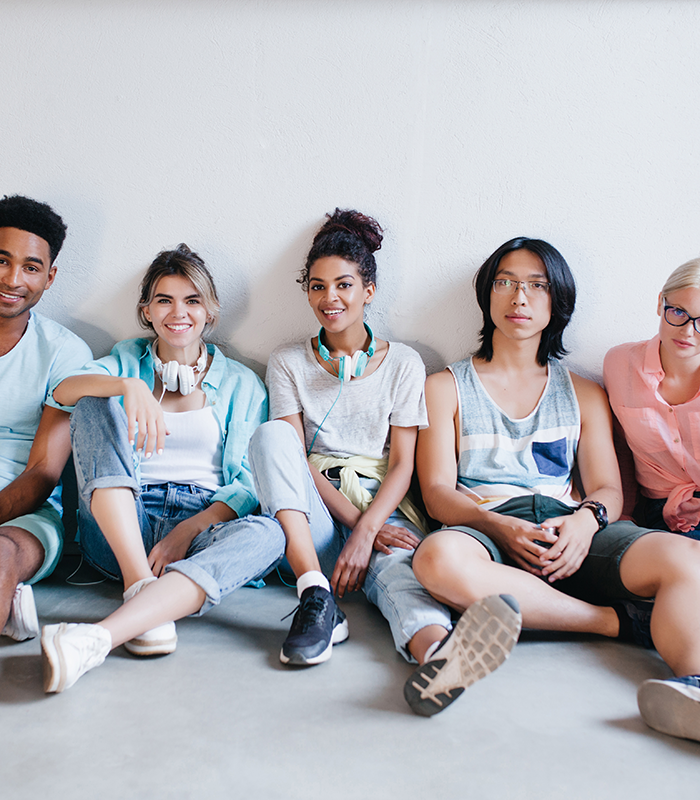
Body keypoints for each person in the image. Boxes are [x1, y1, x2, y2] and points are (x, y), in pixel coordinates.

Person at [408, 236, 700, 744]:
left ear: (556, 301)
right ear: (488, 295)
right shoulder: (444, 387)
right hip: (486, 528)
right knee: (435, 560)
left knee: (683, 558)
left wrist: (586, 521)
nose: (519, 298)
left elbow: (607, 487)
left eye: (536, 286)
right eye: (506, 283)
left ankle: (694, 687)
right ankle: (614, 623)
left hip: (570, 528)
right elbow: (437, 492)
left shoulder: (584, 392)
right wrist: (498, 524)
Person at [42, 243, 284, 693]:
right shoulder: (125, 360)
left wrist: (190, 528)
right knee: (94, 403)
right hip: (120, 527)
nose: (179, 312)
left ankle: (119, 627)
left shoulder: (241, 384)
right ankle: (139, 583)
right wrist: (126, 385)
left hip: (203, 523)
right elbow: (62, 390)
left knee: (271, 533)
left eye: (192, 300)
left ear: (210, 311)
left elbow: (251, 482)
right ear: (146, 311)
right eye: (164, 300)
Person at [247, 208, 455, 671]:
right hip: (310, 514)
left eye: (343, 284)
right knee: (270, 438)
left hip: (383, 506)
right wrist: (361, 528)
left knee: (400, 576)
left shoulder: (404, 363)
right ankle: (316, 601)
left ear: (369, 290)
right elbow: (293, 458)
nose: (329, 298)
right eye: (317, 287)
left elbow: (403, 465)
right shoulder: (287, 362)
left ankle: (439, 657)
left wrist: (370, 528)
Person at [0, 195, 92, 643]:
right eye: (1, 260)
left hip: (24, 516)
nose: (13, 279)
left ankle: (7, 583)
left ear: (49, 277)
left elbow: (43, 472)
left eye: (30, 267)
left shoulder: (64, 353)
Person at [604, 258, 700, 539]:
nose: (687, 331)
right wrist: (623, 515)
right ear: (660, 303)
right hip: (655, 511)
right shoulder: (620, 363)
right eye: (678, 312)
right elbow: (621, 445)